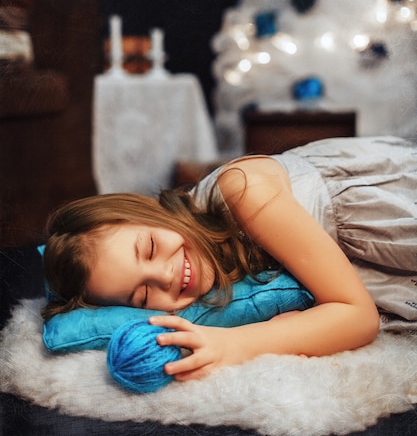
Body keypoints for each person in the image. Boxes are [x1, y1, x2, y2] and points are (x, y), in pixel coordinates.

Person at [42, 136, 417, 382]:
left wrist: (234, 344)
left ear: (152, 214)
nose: (167, 275)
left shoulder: (242, 190)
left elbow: (358, 316)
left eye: (151, 248)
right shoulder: (216, 275)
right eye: (142, 296)